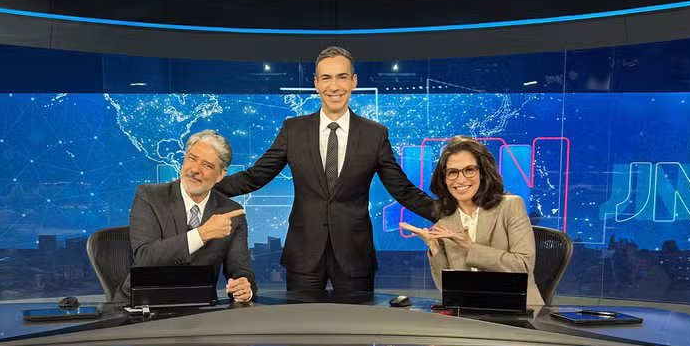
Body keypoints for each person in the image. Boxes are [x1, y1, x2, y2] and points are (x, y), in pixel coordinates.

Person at [213, 46, 435, 292]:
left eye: (342, 77)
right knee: (303, 328)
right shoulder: (293, 130)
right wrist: (202, 191)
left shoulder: (375, 134)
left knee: (355, 328)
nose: (334, 86)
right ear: (316, 83)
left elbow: (402, 189)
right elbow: (256, 176)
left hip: (354, 257)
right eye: (326, 78)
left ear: (353, 82)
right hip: (304, 254)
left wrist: (449, 215)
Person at [114, 130, 256, 303]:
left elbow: (240, 271)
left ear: (220, 175)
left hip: (198, 308)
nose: (195, 170)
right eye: (192, 158)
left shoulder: (231, 212)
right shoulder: (150, 197)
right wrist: (201, 234)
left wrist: (244, 288)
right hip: (142, 306)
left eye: (207, 165)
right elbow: (145, 257)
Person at [401, 136, 543, 306]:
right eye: (452, 172)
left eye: (469, 170)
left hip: (517, 310)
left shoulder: (510, 206)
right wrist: (433, 246)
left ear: (483, 173)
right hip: (471, 311)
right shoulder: (446, 221)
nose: (460, 180)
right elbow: (445, 288)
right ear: (444, 178)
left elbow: (523, 266)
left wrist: (470, 247)